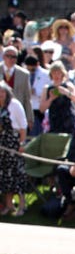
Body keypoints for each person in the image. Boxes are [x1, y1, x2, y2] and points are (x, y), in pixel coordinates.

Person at [0, 82, 28, 216]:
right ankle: (9, 205)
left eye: (2, 92)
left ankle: (22, 205)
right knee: (5, 175)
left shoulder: (15, 105)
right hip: (2, 143)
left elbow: (23, 126)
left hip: (14, 142)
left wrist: (22, 143)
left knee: (17, 174)